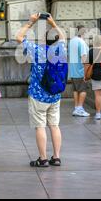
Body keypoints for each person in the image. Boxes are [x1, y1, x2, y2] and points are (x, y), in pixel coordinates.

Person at [16, 13, 66, 167]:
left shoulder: (36, 50)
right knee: (54, 125)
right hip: (55, 94)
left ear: (44, 40)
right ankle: (56, 157)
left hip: (38, 94)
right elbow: (63, 37)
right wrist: (53, 23)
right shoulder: (60, 49)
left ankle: (43, 158)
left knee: (40, 126)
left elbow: (18, 37)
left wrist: (31, 21)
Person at [68, 25, 89, 117]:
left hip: (72, 70)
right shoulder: (81, 42)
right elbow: (84, 57)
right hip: (80, 70)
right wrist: (86, 72)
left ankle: (76, 108)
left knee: (76, 90)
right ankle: (80, 108)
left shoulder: (71, 41)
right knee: (83, 89)